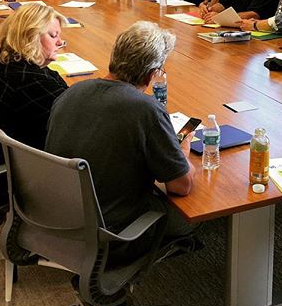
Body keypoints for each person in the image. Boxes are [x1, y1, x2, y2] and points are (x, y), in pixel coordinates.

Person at [45, 21, 194, 261]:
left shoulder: (71, 91)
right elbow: (181, 186)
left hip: (57, 216)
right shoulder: (146, 110)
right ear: (152, 73)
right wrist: (182, 152)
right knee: (190, 219)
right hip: (111, 232)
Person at [0, 3, 68, 207]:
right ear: (29, 37)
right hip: (11, 181)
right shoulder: (31, 82)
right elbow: (73, 126)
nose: (61, 42)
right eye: (53, 36)